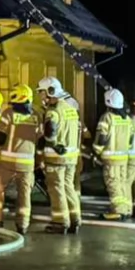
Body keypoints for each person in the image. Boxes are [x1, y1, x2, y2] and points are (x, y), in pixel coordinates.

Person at [0, 84, 42, 234]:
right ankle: (23, 225)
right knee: (25, 195)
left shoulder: (8, 114)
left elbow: (0, 137)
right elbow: (41, 140)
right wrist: (39, 160)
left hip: (7, 164)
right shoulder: (36, 115)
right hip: (27, 165)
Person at [40, 78, 82, 234]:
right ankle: (75, 219)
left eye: (41, 92)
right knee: (68, 187)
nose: (40, 95)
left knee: (56, 189)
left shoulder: (53, 110)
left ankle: (60, 222)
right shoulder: (70, 109)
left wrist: (51, 143)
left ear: (49, 91)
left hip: (56, 158)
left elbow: (50, 131)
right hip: (71, 158)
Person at [93, 88, 132, 220]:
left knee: (113, 184)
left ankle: (118, 211)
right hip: (124, 158)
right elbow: (131, 138)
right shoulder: (127, 119)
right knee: (122, 183)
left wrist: (96, 151)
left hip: (111, 159)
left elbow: (102, 137)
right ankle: (126, 209)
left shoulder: (107, 117)